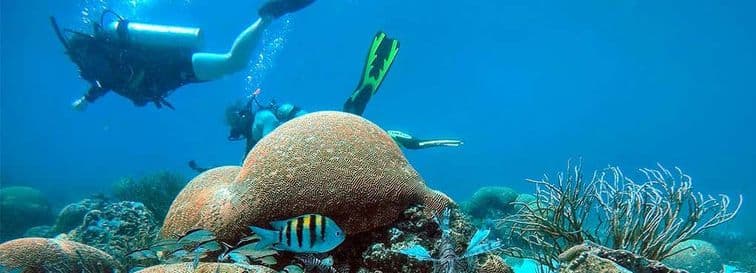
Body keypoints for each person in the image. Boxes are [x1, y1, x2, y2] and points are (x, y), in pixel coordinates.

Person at [225, 32, 463, 156]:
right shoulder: (256, 126)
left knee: (350, 137)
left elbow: (272, 145)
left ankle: (375, 126)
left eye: (234, 125)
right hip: (318, 128)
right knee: (355, 137)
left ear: (241, 117)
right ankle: (390, 136)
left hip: (313, 135)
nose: (235, 131)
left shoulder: (262, 118)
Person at [50, 0, 315, 110]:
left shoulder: (93, 60)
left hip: (172, 67)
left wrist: (87, 98)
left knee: (233, 62)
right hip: (171, 73)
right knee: (233, 63)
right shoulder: (102, 56)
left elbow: (107, 79)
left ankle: (267, 16)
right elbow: (111, 79)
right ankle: (268, 16)